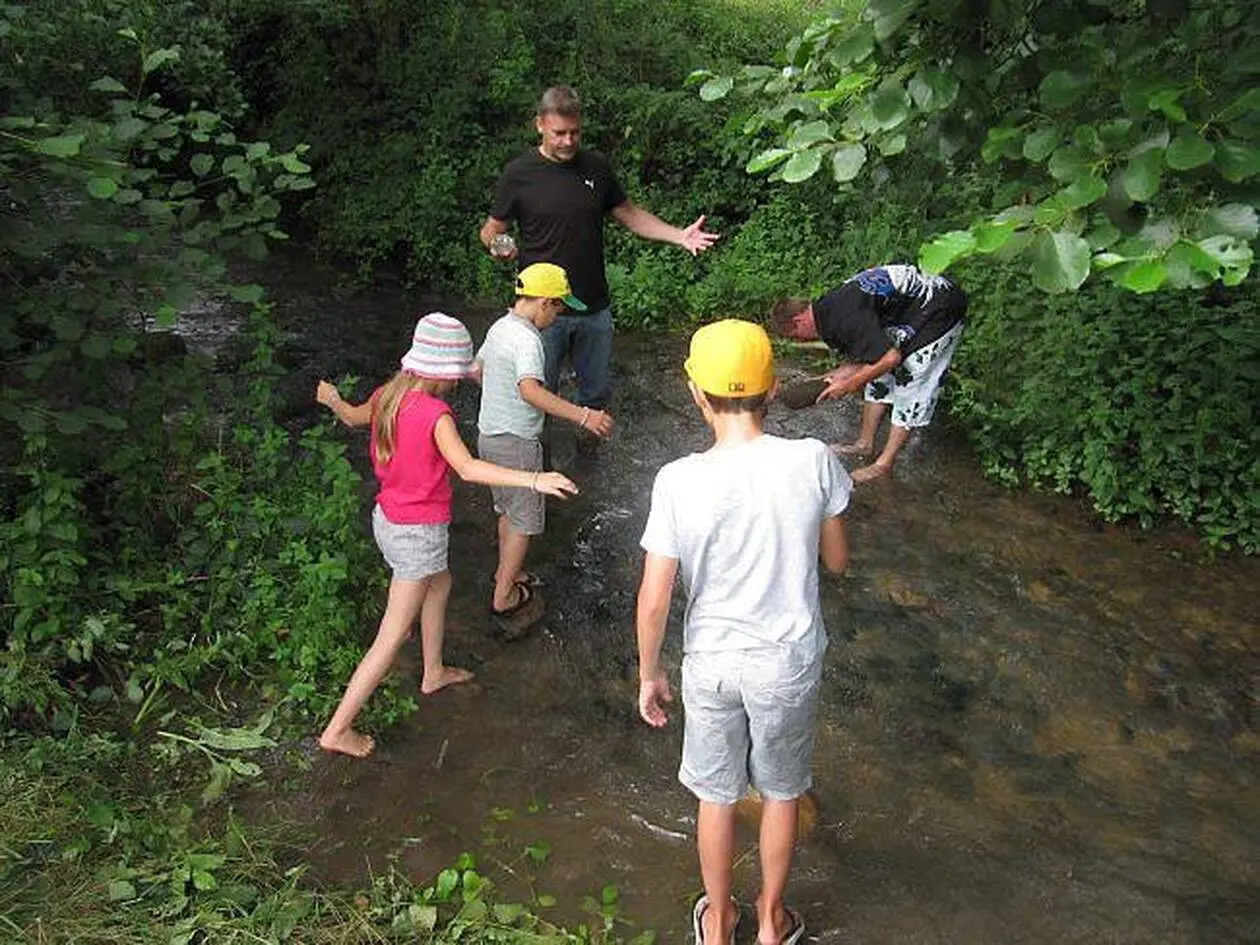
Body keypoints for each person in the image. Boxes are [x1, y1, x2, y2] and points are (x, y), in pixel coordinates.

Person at [635, 320, 851, 945]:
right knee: (781, 792)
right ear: (773, 388)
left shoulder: (677, 479)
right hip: (788, 661)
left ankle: (719, 922)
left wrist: (650, 673)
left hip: (713, 662)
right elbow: (837, 561)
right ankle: (771, 923)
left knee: (716, 794)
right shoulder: (813, 460)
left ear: (695, 395)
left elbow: (655, 597)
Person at [314, 312, 578, 759]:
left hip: (389, 520)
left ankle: (432, 672)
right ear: (445, 374)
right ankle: (337, 730)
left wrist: (332, 399)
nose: (459, 381)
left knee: (441, 584)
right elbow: (468, 468)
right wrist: (535, 479)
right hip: (417, 534)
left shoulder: (387, 395)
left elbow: (353, 418)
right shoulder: (437, 416)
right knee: (392, 635)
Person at [479, 85, 719, 448]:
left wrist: (678, 235)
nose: (568, 141)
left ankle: (587, 461)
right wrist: (501, 246)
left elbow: (631, 215)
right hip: (542, 310)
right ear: (539, 124)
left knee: (596, 393)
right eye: (560, 133)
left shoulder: (595, 167)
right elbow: (491, 231)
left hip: (593, 305)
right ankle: (539, 467)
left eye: (575, 132)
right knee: (537, 394)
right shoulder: (519, 173)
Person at [476, 262, 614, 625]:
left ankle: (506, 572)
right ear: (544, 302)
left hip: (489, 436)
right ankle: (504, 596)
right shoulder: (528, 340)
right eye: (558, 309)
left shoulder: (500, 327)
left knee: (507, 511)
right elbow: (530, 391)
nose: (558, 317)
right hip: (517, 441)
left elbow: (478, 370)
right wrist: (584, 415)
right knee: (524, 520)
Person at [770, 264, 968, 483]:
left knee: (911, 376)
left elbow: (891, 358)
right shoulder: (827, 311)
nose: (800, 341)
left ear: (799, 321)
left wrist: (851, 384)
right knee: (876, 367)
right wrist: (827, 379)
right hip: (910, 309)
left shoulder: (844, 317)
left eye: (795, 337)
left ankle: (884, 463)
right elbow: (866, 359)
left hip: (941, 308)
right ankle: (864, 444)